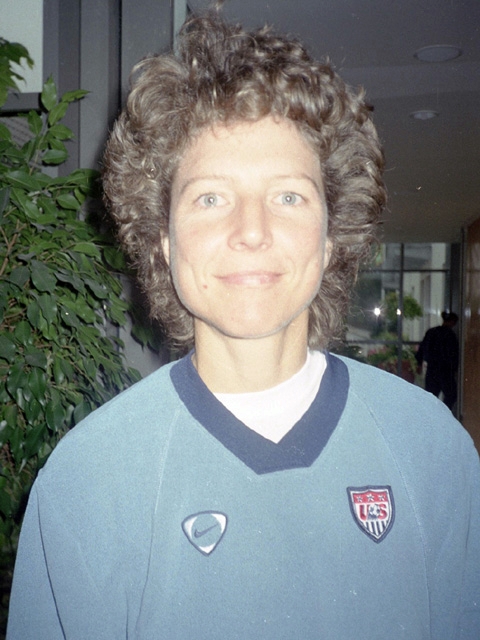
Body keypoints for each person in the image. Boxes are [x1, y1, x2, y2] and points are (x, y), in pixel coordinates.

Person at [7, 7, 480, 640]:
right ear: (163, 242)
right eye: (211, 198)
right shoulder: (86, 479)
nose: (251, 231)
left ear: (332, 237)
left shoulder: (430, 447)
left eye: (288, 196)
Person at [416, 311, 459, 409]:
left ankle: (433, 414)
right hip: (446, 371)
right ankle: (444, 412)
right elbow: (454, 354)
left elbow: (422, 349)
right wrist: (454, 369)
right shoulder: (450, 335)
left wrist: (419, 364)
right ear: (452, 322)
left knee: (431, 396)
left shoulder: (432, 332)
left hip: (432, 369)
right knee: (451, 395)